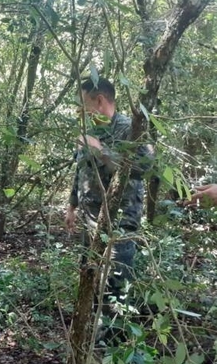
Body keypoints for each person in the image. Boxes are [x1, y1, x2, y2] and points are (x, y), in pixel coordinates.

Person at [65, 77, 153, 311]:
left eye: (84, 105)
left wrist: (101, 150)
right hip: (89, 219)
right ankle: (91, 337)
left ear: (100, 100)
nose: (81, 111)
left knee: (114, 288)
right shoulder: (91, 131)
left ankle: (112, 341)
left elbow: (143, 169)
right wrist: (72, 206)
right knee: (90, 278)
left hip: (118, 222)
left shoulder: (130, 130)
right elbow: (81, 170)